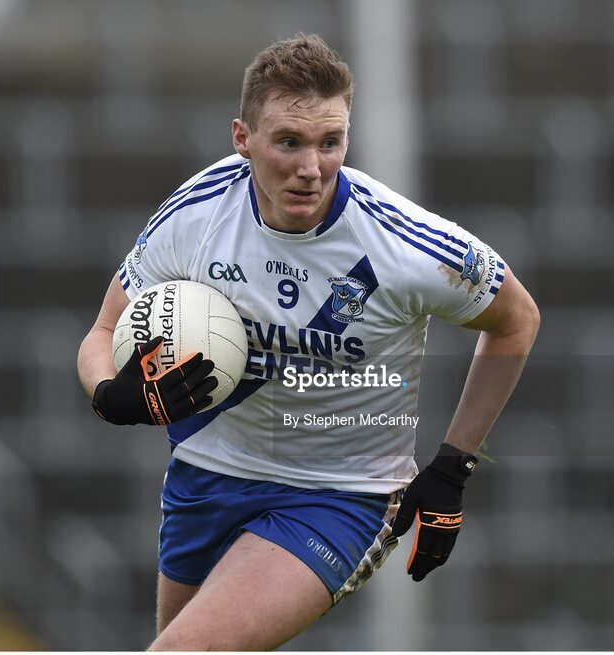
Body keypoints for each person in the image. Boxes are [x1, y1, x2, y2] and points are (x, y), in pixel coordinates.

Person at [77, 34, 539, 651]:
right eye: (288, 142)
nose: (311, 168)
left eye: (331, 143)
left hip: (337, 498)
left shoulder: (405, 244)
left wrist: (454, 465)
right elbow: (105, 331)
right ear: (242, 138)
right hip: (204, 474)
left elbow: (517, 319)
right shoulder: (200, 211)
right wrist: (110, 392)